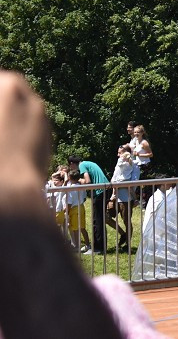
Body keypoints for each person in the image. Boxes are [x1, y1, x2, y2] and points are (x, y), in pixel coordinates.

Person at [0, 70, 158, 339]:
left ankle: (111, 239)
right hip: (103, 197)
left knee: (101, 222)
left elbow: (91, 179)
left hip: (98, 194)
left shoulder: (85, 166)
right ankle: (119, 237)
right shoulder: (112, 299)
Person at [68, 154, 109, 253]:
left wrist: (79, 180)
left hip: (99, 191)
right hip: (104, 189)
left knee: (97, 220)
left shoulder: (82, 166)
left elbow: (88, 181)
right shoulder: (88, 163)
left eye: (70, 166)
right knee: (100, 220)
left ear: (72, 163)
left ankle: (98, 248)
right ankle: (100, 246)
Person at [106, 144, 136, 252]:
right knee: (106, 217)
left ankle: (128, 245)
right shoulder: (119, 162)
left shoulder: (133, 164)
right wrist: (113, 192)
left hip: (126, 199)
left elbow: (134, 182)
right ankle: (123, 234)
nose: (118, 155)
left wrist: (120, 186)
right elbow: (114, 177)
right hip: (115, 197)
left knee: (127, 221)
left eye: (120, 153)